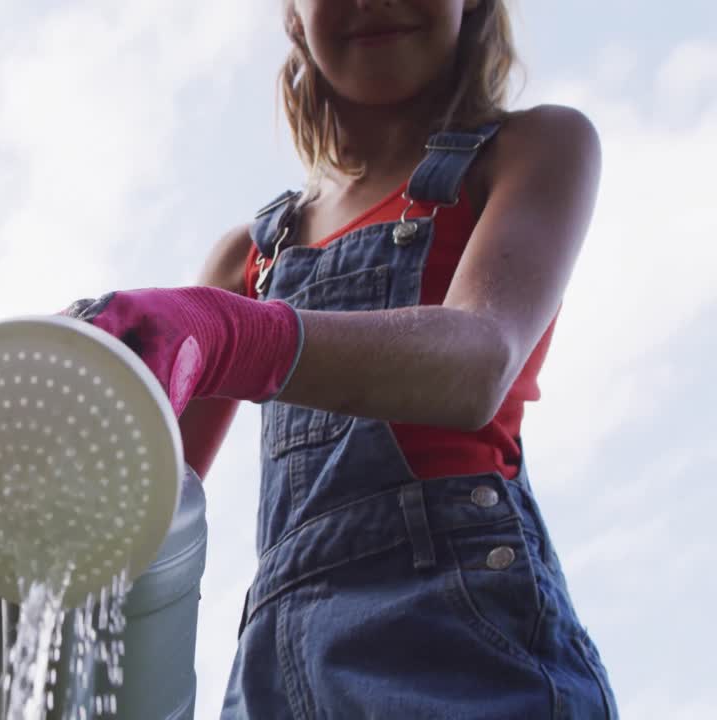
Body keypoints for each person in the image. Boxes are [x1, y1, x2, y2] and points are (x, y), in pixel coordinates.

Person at [63, 0, 619, 716]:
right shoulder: (253, 255)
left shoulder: (534, 147)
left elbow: (479, 357)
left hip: (462, 642)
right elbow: (143, 508)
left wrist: (232, 331)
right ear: (293, 15)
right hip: (273, 677)